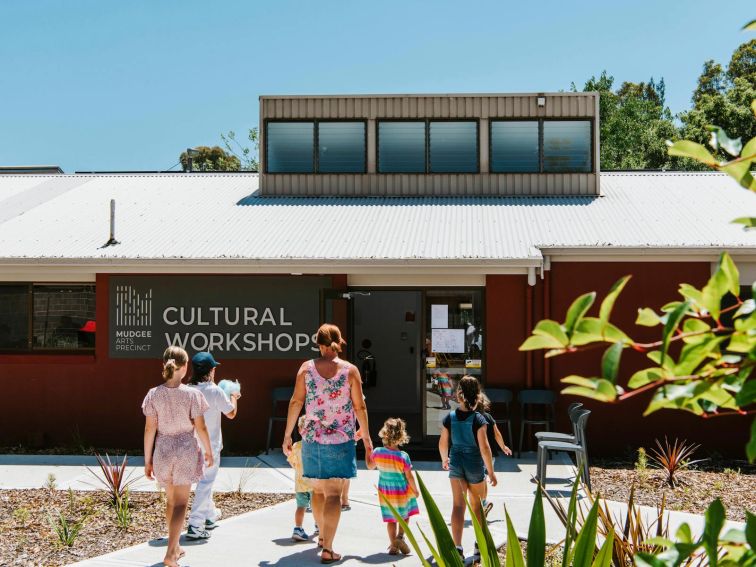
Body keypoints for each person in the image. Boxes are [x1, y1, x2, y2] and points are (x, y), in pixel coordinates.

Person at [283, 323, 372, 564]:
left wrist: (287, 434)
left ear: (319, 344)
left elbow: (295, 402)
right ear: (338, 342)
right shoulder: (350, 371)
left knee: (318, 491)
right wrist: (366, 436)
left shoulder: (306, 369)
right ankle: (328, 548)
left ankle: (322, 537)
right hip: (341, 439)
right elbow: (359, 406)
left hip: (311, 438)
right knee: (334, 494)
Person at [142, 346, 213, 567]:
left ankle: (175, 547)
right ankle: (171, 555)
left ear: (164, 366)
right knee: (182, 503)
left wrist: (147, 460)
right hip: (184, 450)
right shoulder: (192, 394)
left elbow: (149, 429)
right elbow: (200, 427)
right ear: (184, 368)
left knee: (171, 501)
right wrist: (209, 450)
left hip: (163, 449)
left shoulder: (153, 394)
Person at [438, 375, 497, 563]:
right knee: (477, 506)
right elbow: (485, 447)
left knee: (458, 505)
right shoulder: (479, 419)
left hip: (456, 461)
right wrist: (491, 472)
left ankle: (457, 547)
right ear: (477, 395)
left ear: (459, 395)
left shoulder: (450, 417)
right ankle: (479, 548)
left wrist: (444, 459)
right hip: (473, 463)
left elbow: (442, 443)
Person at [186, 352, 241, 539]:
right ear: (211, 371)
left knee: (203, 482)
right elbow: (231, 414)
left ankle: (209, 516)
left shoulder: (186, 389)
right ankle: (195, 524)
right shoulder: (215, 390)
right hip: (211, 445)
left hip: (190, 444)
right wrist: (234, 395)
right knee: (206, 482)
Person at [367, 417, 419, 556]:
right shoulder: (403, 456)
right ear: (401, 436)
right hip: (401, 491)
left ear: (384, 434)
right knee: (405, 514)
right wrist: (415, 490)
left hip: (385, 491)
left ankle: (393, 546)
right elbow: (409, 476)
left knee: (391, 519)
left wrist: (368, 452)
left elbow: (370, 466)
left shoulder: (377, 452)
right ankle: (400, 537)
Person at [479, 393, 512, 516]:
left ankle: (483, 503)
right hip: (489, 454)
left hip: (477, 454)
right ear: (485, 404)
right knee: (482, 477)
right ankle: (483, 502)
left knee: (480, 478)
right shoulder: (488, 417)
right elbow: (497, 434)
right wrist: (503, 447)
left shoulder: (470, 417)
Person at [288, 415, 319, 542]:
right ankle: (319, 526)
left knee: (301, 506)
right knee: (317, 506)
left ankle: (298, 528)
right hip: (314, 483)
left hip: (300, 483)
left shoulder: (296, 446)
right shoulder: (317, 446)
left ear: (300, 430)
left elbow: (292, 463)